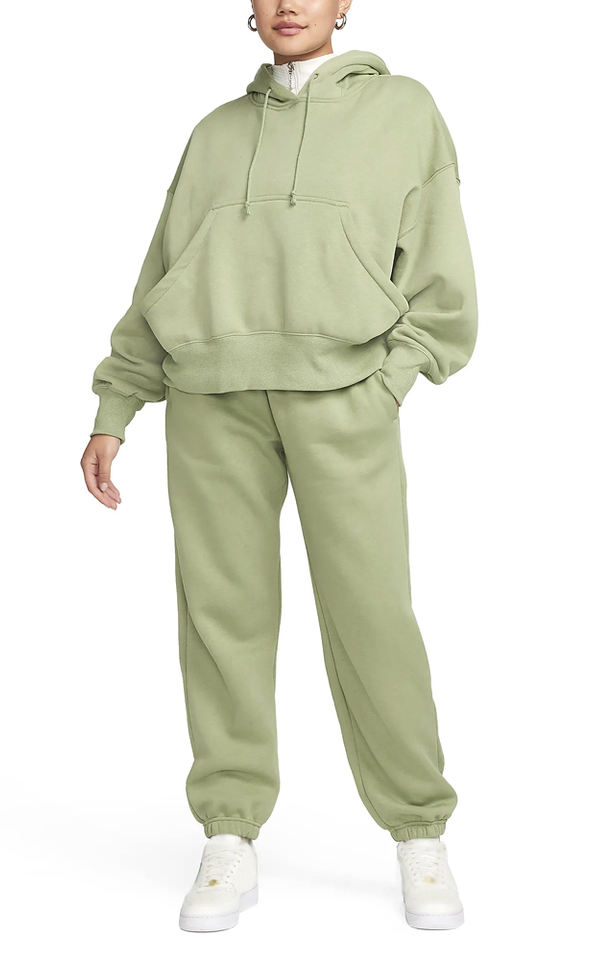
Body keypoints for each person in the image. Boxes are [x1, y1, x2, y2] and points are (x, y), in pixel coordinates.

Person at [80, 0, 478, 933]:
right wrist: (117, 403)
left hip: (344, 397)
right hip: (210, 400)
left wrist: (389, 380)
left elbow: (442, 273)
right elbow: (163, 272)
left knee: (372, 614)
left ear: (345, 5)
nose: (289, 3)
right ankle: (230, 832)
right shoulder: (215, 133)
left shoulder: (405, 111)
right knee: (221, 620)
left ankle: (419, 831)